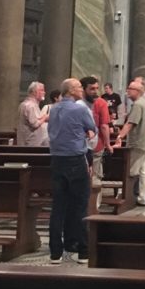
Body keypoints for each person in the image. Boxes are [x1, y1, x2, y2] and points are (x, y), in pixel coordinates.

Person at [46, 77, 96, 264]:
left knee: (58, 207)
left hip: (57, 160)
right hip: (75, 159)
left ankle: (55, 252)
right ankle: (83, 251)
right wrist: (85, 132)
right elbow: (92, 128)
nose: (81, 89)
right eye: (78, 87)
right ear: (69, 91)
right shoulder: (80, 108)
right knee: (80, 206)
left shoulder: (54, 108)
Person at [115, 78, 145, 205]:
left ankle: (128, 196)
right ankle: (143, 197)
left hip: (138, 143)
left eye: (130, 89)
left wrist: (119, 137)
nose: (127, 91)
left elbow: (130, 123)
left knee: (131, 171)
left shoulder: (138, 104)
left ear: (137, 91)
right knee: (144, 172)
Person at [81, 76, 112, 184]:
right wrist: (108, 144)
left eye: (97, 88)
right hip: (82, 145)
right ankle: (93, 200)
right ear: (83, 89)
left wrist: (107, 144)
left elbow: (104, 125)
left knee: (93, 176)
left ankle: (93, 201)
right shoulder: (100, 102)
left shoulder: (100, 103)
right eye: (92, 89)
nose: (95, 91)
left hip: (95, 145)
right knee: (93, 177)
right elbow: (104, 126)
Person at [16, 81, 48, 147]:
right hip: (31, 144)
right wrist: (45, 118)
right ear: (34, 92)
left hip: (26, 142)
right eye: (42, 90)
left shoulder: (24, 104)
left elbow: (34, 119)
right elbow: (35, 124)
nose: (44, 93)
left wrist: (43, 117)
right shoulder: (31, 105)